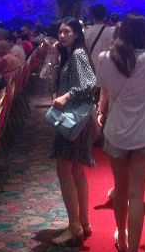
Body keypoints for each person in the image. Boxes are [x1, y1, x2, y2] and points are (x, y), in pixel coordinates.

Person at [97, 14, 145, 252]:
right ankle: (133, 248)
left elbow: (104, 88)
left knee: (120, 188)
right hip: (144, 129)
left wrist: (101, 110)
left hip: (116, 130)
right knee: (137, 194)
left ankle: (122, 238)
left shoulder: (104, 58)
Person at [49, 17, 96, 247]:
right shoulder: (70, 54)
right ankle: (82, 222)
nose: (62, 35)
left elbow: (90, 84)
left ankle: (75, 225)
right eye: (60, 31)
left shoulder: (77, 54)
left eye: (67, 31)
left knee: (64, 169)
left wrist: (66, 96)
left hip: (72, 119)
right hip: (77, 118)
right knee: (76, 169)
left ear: (77, 34)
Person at [84, 3, 116, 71]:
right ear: (105, 16)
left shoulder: (87, 32)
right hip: (107, 68)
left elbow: (84, 52)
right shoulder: (112, 32)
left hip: (91, 68)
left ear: (92, 16)